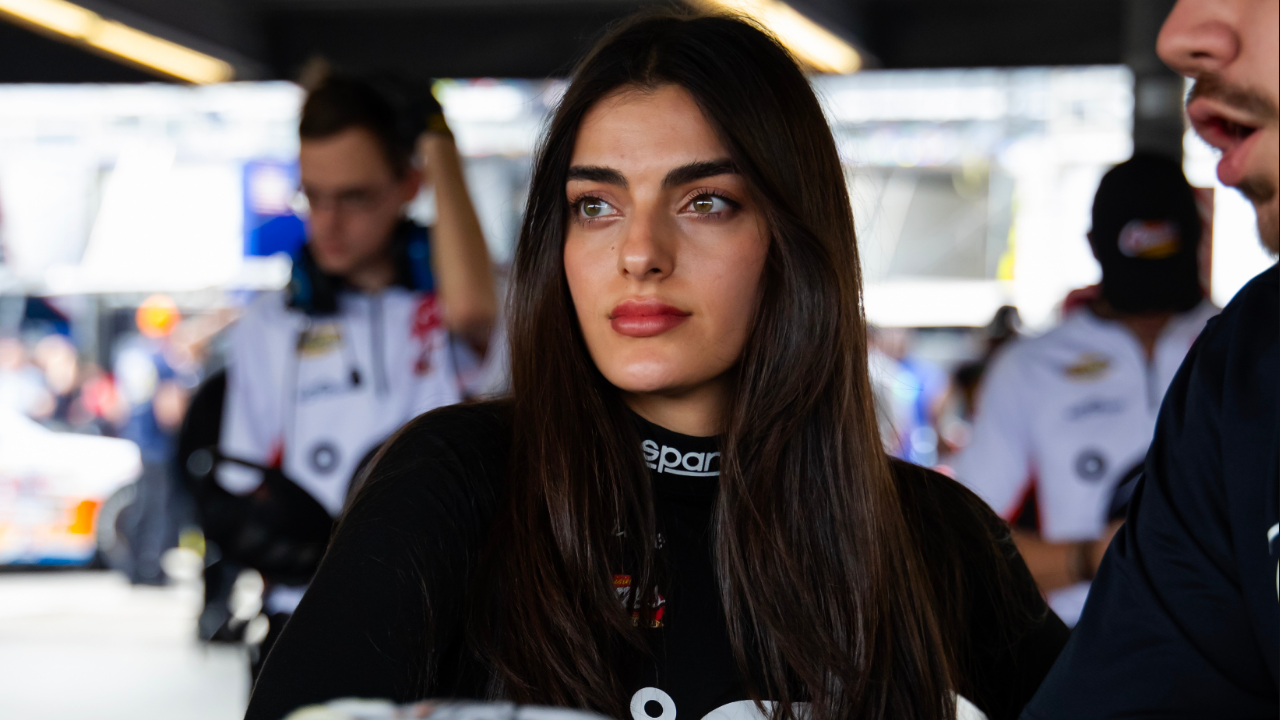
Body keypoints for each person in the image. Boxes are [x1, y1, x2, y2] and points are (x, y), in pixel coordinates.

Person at [246, 12, 1068, 720]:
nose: (639, 253)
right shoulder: (453, 484)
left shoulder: (935, 537)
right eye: (596, 206)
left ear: (791, 236)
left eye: (704, 202)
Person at [1021, 0, 1278, 716]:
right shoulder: (1240, 364)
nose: (1177, 36)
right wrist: (1088, 555)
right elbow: (959, 546)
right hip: (1073, 641)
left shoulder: (1221, 343)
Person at [214, 75, 498, 665]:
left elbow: (475, 309)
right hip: (306, 620)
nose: (328, 223)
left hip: (447, 618)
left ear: (409, 186)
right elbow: (241, 485)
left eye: (354, 197)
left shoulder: (451, 304)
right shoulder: (270, 325)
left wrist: (439, 143)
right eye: (313, 196)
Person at [953, 155, 1219, 626]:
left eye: (1166, 254)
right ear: (1094, 246)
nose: (1152, 304)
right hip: (1085, 638)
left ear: (1200, 238)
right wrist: (1093, 556)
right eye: (1138, 254)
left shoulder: (1246, 346)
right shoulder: (1029, 368)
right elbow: (966, 546)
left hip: (1230, 642)